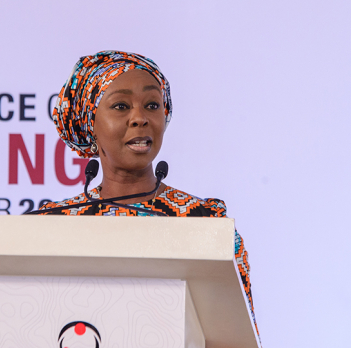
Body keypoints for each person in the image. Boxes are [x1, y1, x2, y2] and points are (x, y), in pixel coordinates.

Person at [38, 50, 259, 337]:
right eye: (120, 106)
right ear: (90, 122)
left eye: (152, 104)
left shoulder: (207, 223)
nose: (140, 118)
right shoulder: (51, 225)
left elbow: (235, 335)